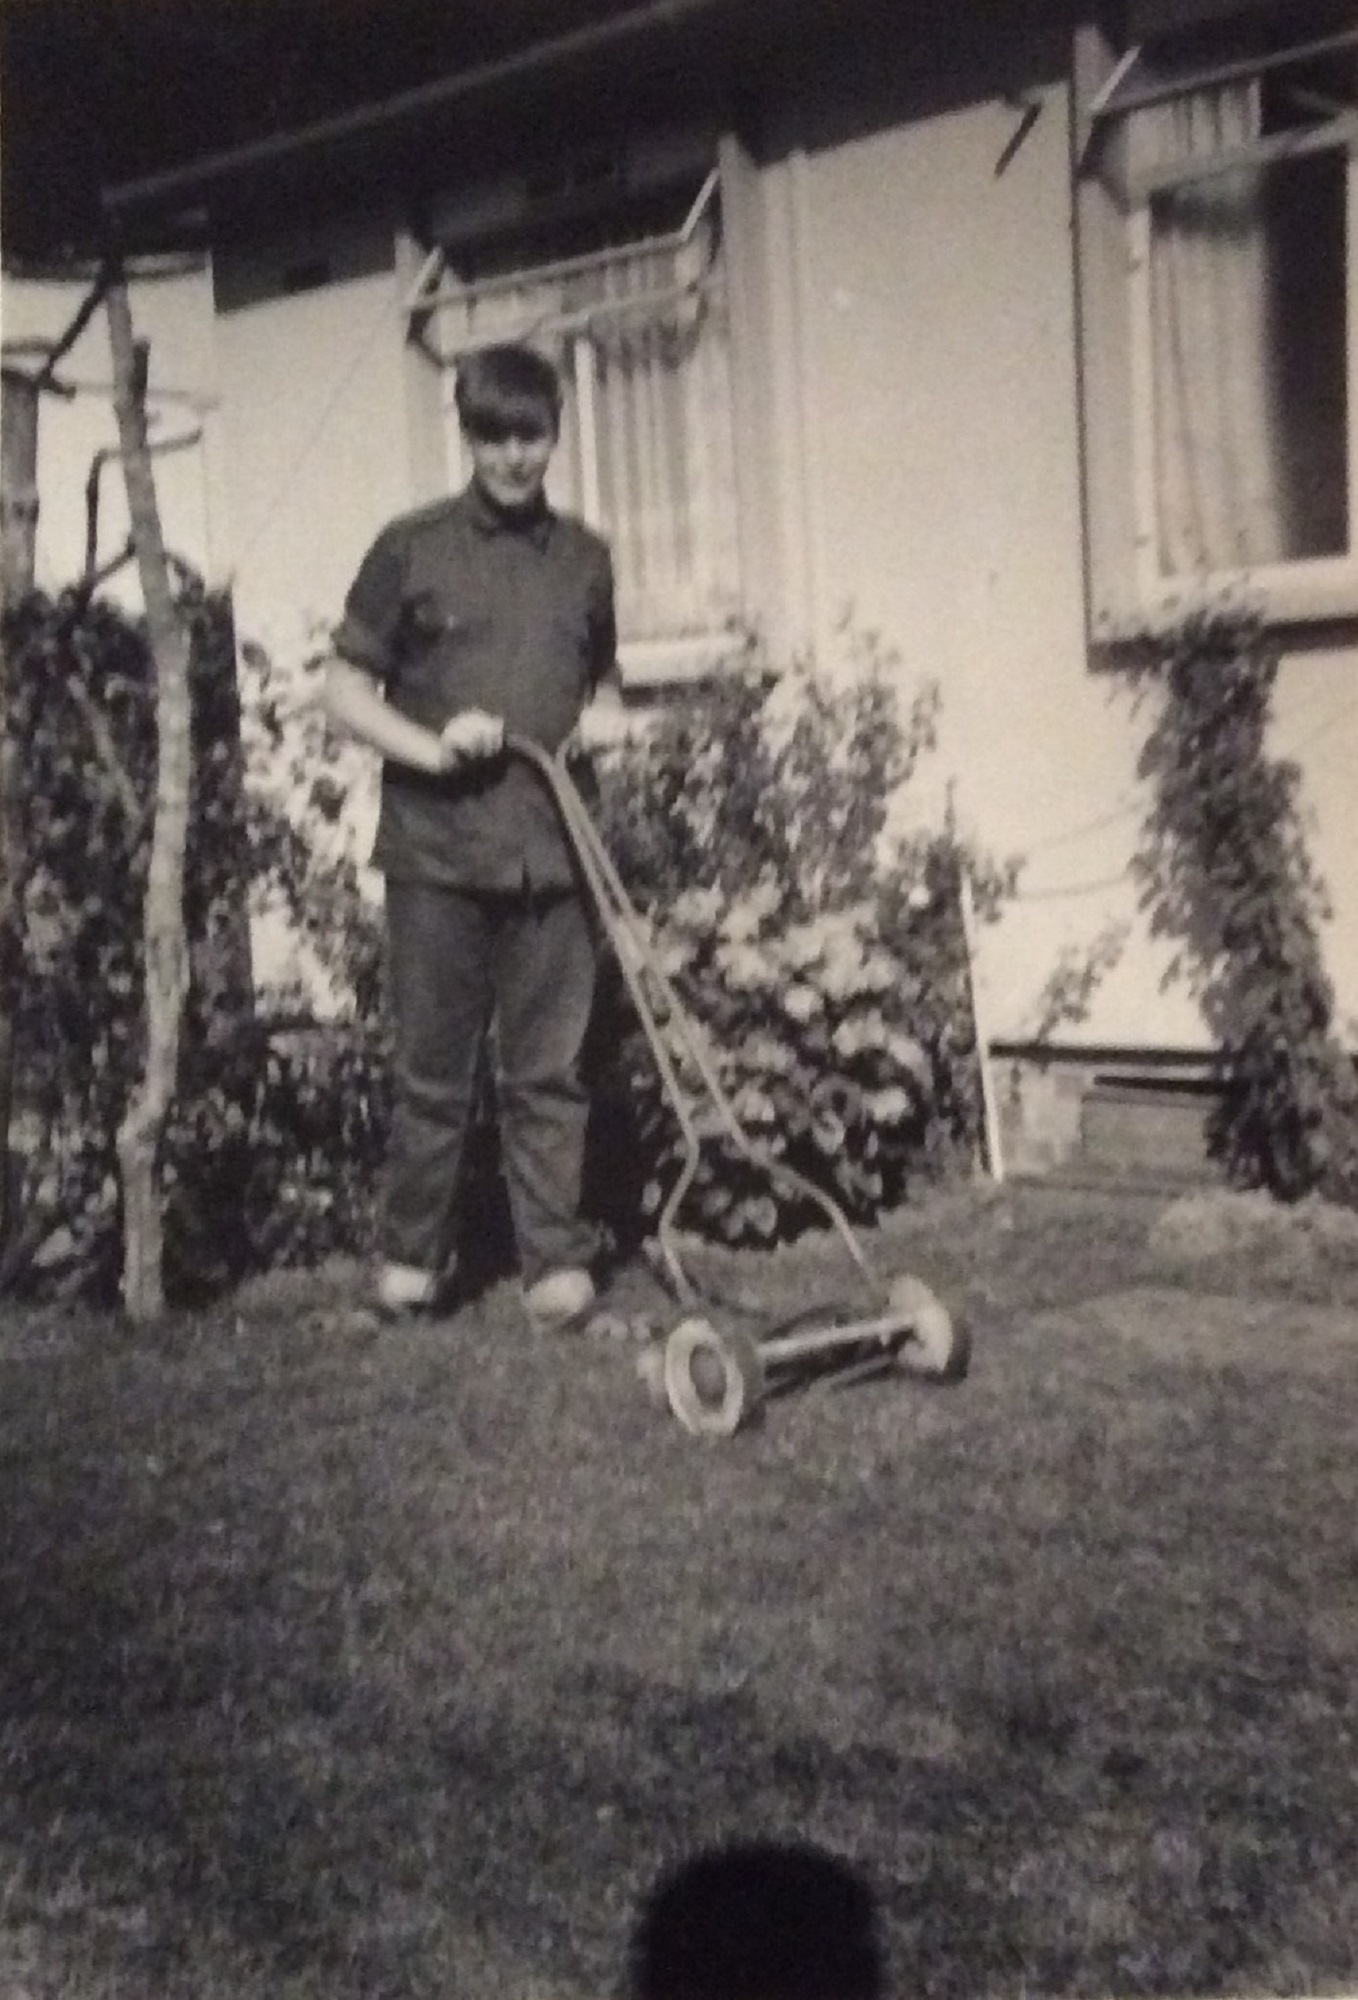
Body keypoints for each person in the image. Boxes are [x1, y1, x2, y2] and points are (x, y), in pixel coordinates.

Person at [322, 340, 625, 1326]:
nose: (511, 455)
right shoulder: (409, 547)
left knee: (548, 1070)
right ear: (467, 435)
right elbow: (339, 692)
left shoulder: (585, 558)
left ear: (553, 435)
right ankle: (413, 1258)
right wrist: (429, 746)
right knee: (433, 1069)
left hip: (553, 851)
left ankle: (552, 1265)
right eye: (492, 435)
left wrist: (611, 719)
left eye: (528, 434)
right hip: (437, 856)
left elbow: (604, 686)